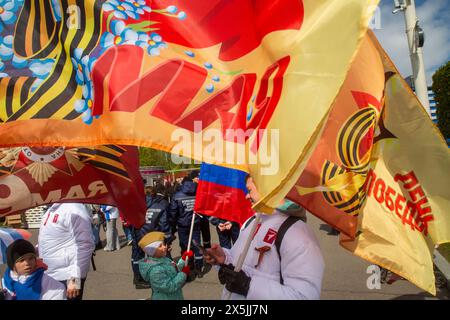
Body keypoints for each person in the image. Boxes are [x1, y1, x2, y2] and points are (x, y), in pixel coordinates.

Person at [204, 176, 325, 300]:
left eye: (249, 190)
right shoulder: (253, 221)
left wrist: (248, 286)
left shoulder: (298, 233)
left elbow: (304, 296)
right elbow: (243, 263)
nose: (246, 196)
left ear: (267, 189)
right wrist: (225, 258)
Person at [38, 203, 95, 300]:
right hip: (51, 274)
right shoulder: (52, 209)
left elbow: (85, 245)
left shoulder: (74, 209)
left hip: (68, 277)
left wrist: (75, 279)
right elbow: (50, 239)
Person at [130, 183, 173, 289]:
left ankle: (138, 278)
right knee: (158, 256)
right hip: (153, 235)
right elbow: (164, 224)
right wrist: (168, 239)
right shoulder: (161, 204)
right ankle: (161, 277)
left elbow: (131, 218)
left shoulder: (136, 203)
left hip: (138, 233)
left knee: (137, 256)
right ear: (154, 193)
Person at [1, 239, 66, 300]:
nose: (27, 263)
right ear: (12, 264)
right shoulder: (5, 281)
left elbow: (58, 292)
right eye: (22, 260)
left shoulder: (46, 282)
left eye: (31, 258)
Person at [138, 231, 192, 300]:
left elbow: (174, 270)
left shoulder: (164, 259)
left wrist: (183, 259)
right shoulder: (155, 271)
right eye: (160, 246)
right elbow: (169, 287)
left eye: (163, 244)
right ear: (152, 251)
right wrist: (183, 274)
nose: (164, 247)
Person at [169, 175, 204, 279]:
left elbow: (173, 212)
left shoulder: (177, 195)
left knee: (185, 246)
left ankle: (188, 267)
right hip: (196, 224)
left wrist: (173, 225)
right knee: (197, 245)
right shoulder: (198, 193)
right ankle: (199, 268)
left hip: (182, 225)